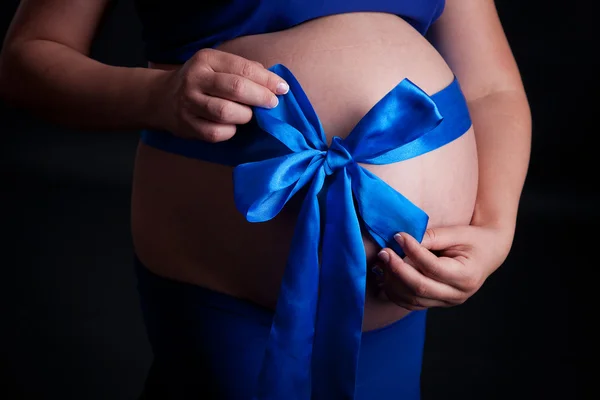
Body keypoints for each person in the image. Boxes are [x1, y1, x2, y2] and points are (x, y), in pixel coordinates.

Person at [0, 0, 531, 399]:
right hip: (220, 281)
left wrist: (496, 229)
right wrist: (154, 96)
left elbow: (491, 88)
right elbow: (28, 58)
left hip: (401, 292)